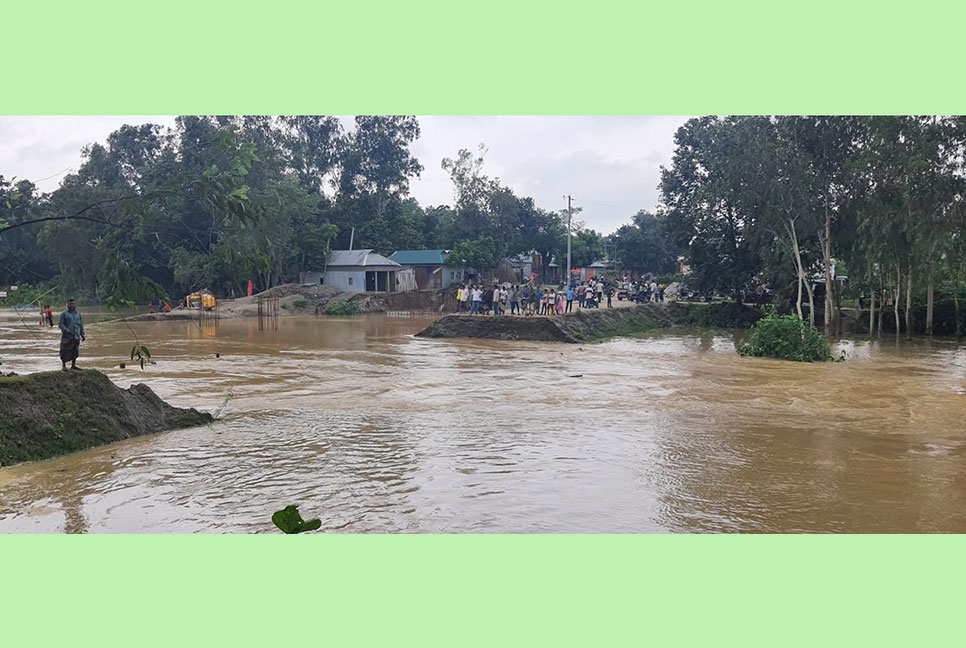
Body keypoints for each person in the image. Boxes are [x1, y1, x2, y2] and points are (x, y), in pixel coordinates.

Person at [58, 299, 85, 371]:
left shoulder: (78, 314)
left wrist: (82, 334)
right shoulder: (64, 314)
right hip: (67, 337)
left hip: (76, 336)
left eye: (73, 304)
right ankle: (64, 366)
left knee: (75, 351)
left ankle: (73, 365)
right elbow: (61, 324)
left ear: (75, 305)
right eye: (70, 304)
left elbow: (81, 325)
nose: (72, 305)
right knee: (64, 350)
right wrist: (66, 330)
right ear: (67, 305)